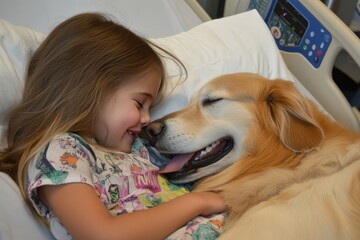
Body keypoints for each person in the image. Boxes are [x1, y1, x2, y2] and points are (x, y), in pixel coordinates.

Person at [0, 13, 227, 240]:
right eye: (139, 103)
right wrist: (198, 202)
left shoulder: (138, 150)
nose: (147, 118)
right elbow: (103, 234)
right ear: (89, 89)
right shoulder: (59, 153)